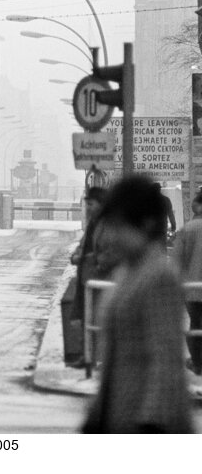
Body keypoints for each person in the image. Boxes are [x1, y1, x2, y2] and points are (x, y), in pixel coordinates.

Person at [82, 175, 193, 434]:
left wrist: (150, 425)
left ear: (146, 224)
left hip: (147, 421)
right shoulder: (126, 273)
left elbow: (164, 358)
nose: (112, 237)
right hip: (118, 415)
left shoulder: (159, 276)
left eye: (120, 227)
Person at [67, 187, 107, 368]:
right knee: (86, 318)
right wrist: (77, 255)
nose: (88, 208)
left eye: (91, 204)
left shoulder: (107, 224)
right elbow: (84, 245)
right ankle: (88, 356)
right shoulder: (94, 223)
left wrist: (90, 260)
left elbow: (108, 251)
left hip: (101, 280)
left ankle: (98, 358)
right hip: (87, 278)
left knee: (98, 319)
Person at [172, 190, 202, 375]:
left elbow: (176, 263)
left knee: (196, 325)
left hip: (192, 291)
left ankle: (198, 363)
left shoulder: (188, 229)